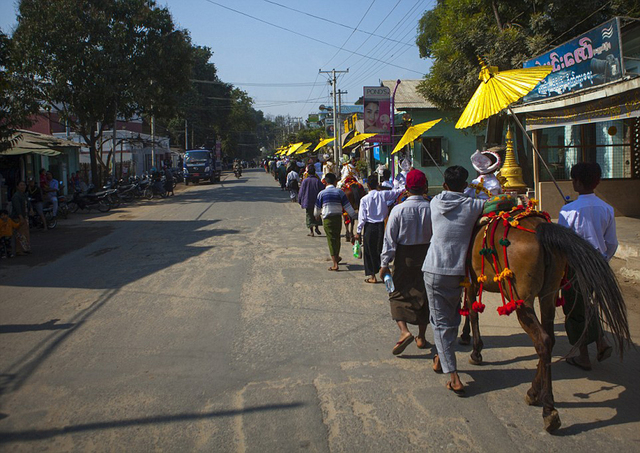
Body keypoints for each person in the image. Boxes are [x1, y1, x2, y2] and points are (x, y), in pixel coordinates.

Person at [422, 166, 484, 395]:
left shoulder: (435, 202)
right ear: (465, 185)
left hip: (434, 270)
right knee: (450, 318)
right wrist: (479, 190)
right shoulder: (473, 205)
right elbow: (502, 202)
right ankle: (441, 358)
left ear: (445, 185)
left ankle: (454, 376)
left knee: (442, 322)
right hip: (458, 273)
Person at [558, 162, 615, 371]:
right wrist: (603, 259)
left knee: (574, 309)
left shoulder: (568, 210)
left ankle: (583, 356)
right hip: (599, 264)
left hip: (575, 266)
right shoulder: (607, 208)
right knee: (588, 304)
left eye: (574, 179)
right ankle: (600, 340)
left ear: (577, 182)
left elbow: (563, 243)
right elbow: (612, 243)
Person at [380, 169, 432, 355]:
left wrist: (384, 263)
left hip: (404, 258)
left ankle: (404, 332)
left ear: (407, 188)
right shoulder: (432, 207)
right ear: (425, 187)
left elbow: (389, 239)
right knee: (424, 296)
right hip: (428, 257)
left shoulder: (398, 210)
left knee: (396, 293)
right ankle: (422, 336)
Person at [354, 175, 404, 283]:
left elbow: (362, 217)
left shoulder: (364, 199)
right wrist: (405, 187)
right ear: (378, 184)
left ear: (368, 185)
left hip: (369, 227)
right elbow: (396, 192)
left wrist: (358, 232)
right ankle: (384, 270)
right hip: (381, 226)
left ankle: (373, 276)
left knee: (369, 251)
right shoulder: (383, 195)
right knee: (381, 249)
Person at [314, 173, 356, 271]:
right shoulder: (340, 192)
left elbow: (317, 209)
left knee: (330, 239)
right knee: (337, 238)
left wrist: (316, 216)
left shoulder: (321, 193)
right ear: (335, 182)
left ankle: (335, 263)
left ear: (325, 182)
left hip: (327, 219)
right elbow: (348, 207)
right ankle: (336, 257)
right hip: (337, 218)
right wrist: (354, 216)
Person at [298, 165, 324, 236]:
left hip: (307, 201)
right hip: (316, 201)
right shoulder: (317, 181)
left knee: (309, 216)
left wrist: (300, 200)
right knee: (317, 214)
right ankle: (317, 227)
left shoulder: (305, 181)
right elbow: (322, 190)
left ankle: (311, 231)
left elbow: (301, 191)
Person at [10, 181, 31, 256]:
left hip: (25, 216)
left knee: (25, 233)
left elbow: (28, 204)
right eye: (21, 185)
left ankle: (25, 248)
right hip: (18, 217)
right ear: (18, 187)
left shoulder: (24, 195)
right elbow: (17, 207)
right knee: (20, 234)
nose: (23, 187)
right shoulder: (16, 196)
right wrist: (21, 217)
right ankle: (19, 250)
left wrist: (30, 210)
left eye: (24, 185)